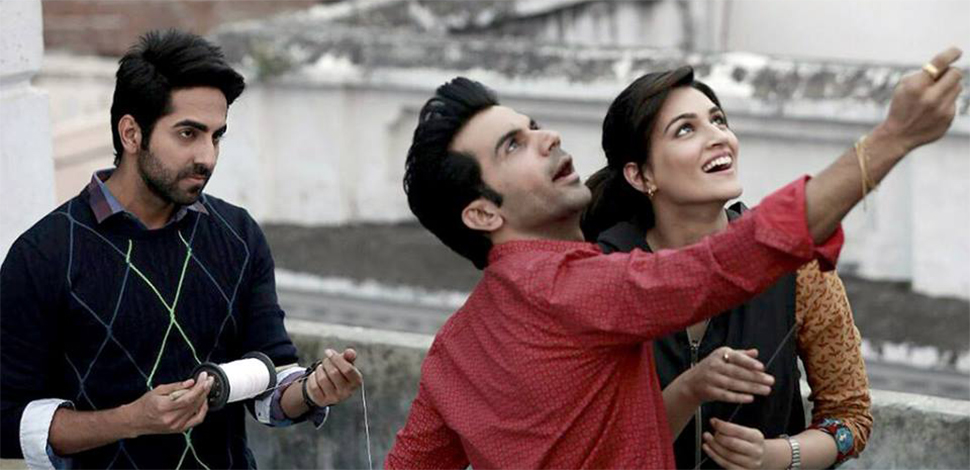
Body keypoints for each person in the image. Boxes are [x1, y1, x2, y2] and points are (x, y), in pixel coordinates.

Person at [384, 47, 963, 469]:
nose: (550, 136)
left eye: (533, 126)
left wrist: (775, 454)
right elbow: (728, 264)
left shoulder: (455, 347)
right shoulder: (590, 284)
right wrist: (893, 137)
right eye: (514, 145)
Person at [0, 30, 362, 469]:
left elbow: (270, 378)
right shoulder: (45, 254)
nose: (207, 157)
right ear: (131, 134)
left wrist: (310, 391)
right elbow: (7, 421)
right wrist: (129, 420)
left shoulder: (238, 235)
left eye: (216, 136)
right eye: (188, 133)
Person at [582, 66, 874, 469]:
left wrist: (775, 456)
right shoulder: (597, 274)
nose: (718, 137)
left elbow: (851, 418)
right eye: (686, 129)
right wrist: (689, 389)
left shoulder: (796, 266)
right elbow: (590, 447)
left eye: (718, 120)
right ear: (641, 175)